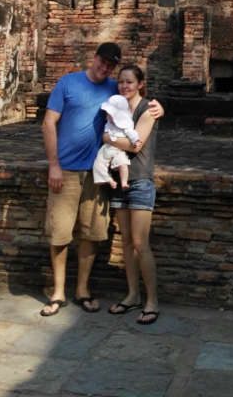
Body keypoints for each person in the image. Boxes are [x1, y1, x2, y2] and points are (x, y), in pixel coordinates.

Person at [40, 42, 161, 318]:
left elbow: (137, 109)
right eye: (103, 61)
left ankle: (82, 290)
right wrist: (54, 165)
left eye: (111, 65)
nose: (105, 67)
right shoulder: (68, 83)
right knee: (60, 233)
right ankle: (58, 292)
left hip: (98, 174)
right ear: (94, 58)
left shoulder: (113, 89)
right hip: (67, 170)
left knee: (91, 233)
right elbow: (48, 123)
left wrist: (158, 108)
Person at [106, 64, 160, 326]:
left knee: (140, 243)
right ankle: (132, 294)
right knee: (125, 242)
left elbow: (135, 144)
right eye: (121, 82)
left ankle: (152, 301)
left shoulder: (148, 108)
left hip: (140, 181)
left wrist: (107, 138)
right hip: (118, 180)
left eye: (129, 82)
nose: (124, 86)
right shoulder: (116, 108)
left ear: (140, 84)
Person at [92, 94, 140, 190]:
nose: (107, 117)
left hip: (119, 149)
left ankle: (124, 182)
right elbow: (104, 134)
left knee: (123, 164)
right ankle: (108, 179)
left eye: (110, 115)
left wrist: (136, 140)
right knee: (98, 164)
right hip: (107, 148)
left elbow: (131, 132)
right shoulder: (108, 123)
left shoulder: (126, 124)